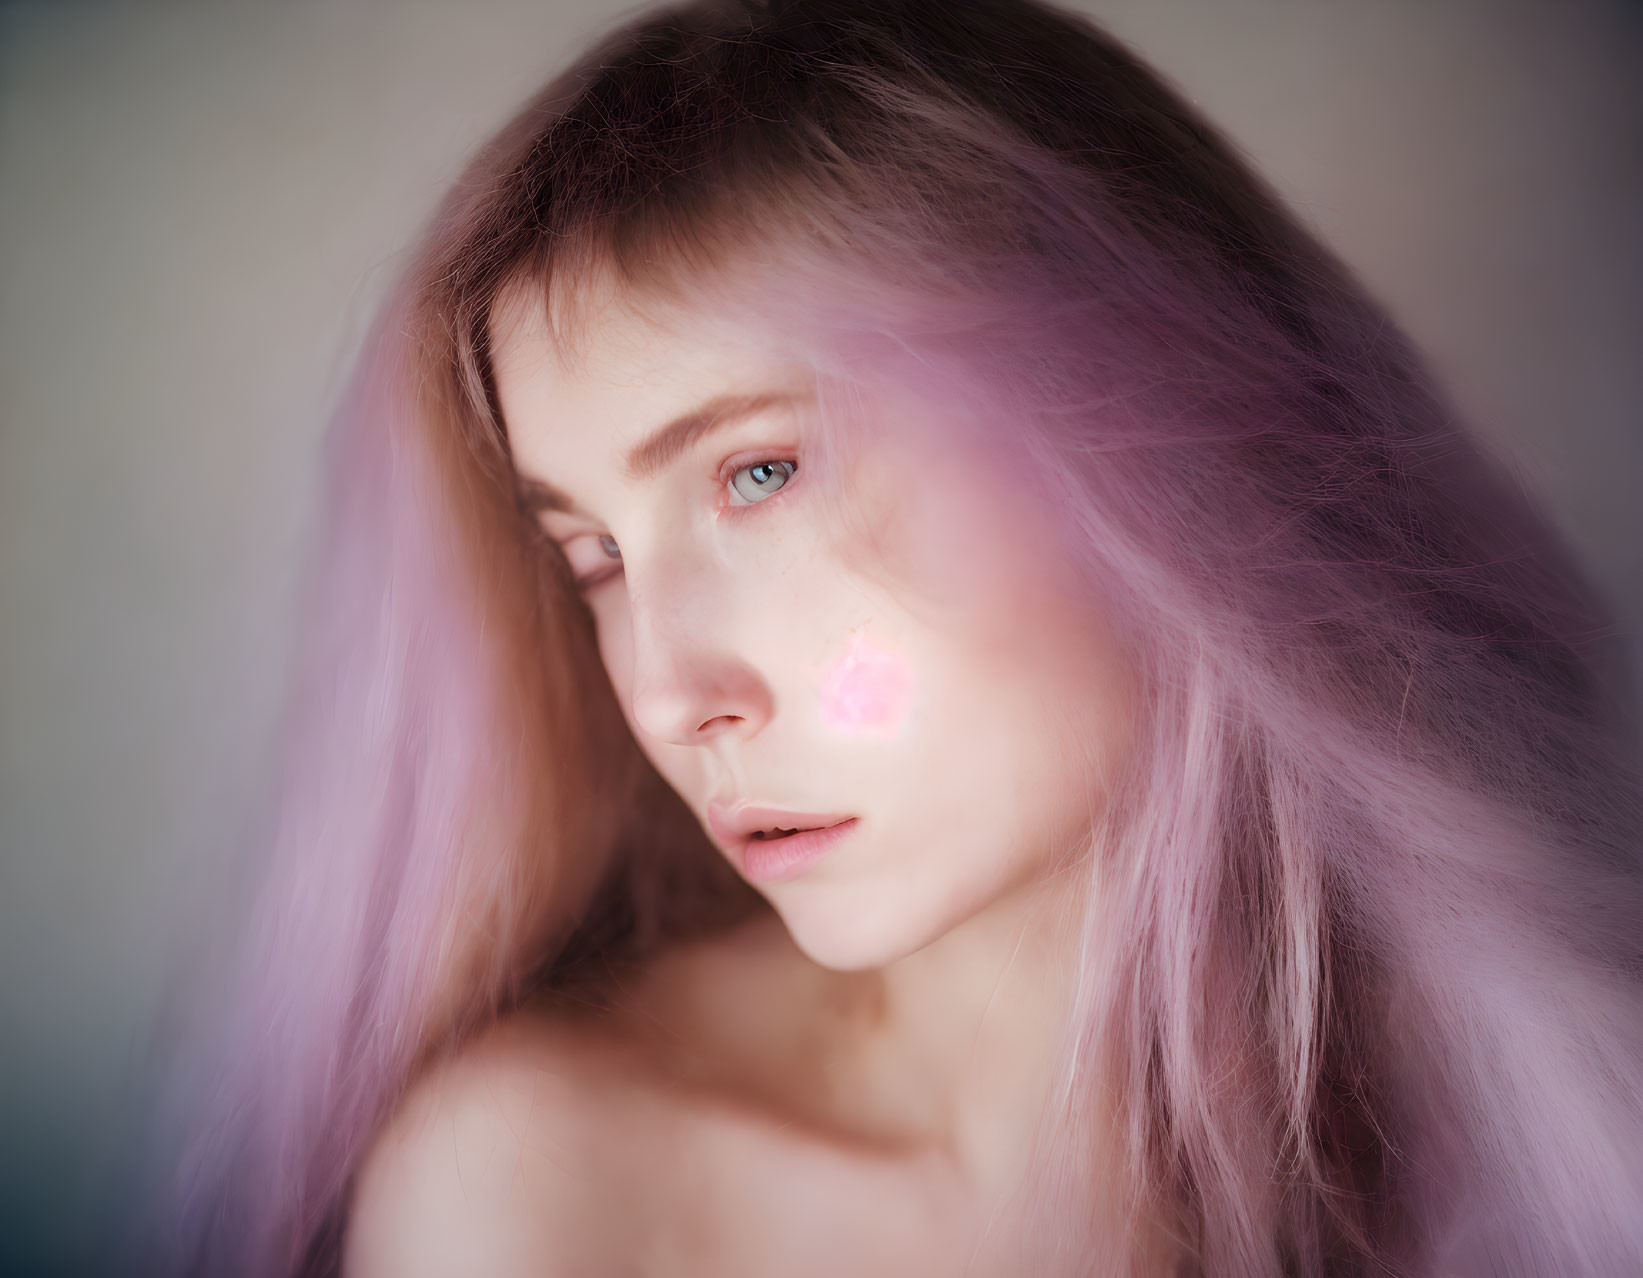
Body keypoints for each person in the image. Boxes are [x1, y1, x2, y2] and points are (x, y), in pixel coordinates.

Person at [163, 1, 1643, 1274]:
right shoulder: (551, 1194)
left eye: (760, 474)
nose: (674, 693)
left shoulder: (1539, 1112)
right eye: (593, 555)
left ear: (1142, 423)